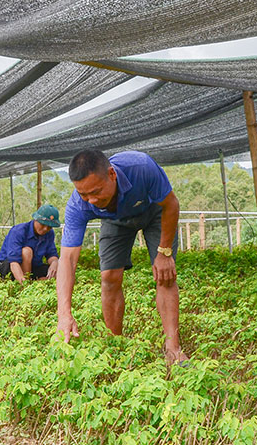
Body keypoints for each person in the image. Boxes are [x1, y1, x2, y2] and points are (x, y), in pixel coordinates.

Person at [55, 150, 187, 365]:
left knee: (165, 275)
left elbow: (171, 204)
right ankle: (115, 346)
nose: (92, 200)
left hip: (154, 211)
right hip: (114, 219)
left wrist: (164, 253)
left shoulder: (141, 167)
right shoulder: (79, 205)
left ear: (112, 175)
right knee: (109, 277)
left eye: (96, 191)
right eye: (84, 194)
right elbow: (67, 260)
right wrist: (64, 314)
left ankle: (173, 349)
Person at [0, 204, 60, 282]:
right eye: (43, 224)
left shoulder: (49, 233)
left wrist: (55, 263)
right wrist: (25, 284)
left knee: (60, 269)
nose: (45, 229)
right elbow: (14, 262)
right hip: (9, 266)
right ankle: (26, 281)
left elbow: (51, 254)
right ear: (36, 219)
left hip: (32, 266)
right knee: (26, 251)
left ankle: (34, 280)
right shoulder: (18, 231)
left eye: (49, 227)